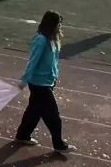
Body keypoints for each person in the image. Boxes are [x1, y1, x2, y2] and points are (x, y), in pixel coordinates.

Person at [15, 11, 75, 152]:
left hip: (47, 81)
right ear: (51, 24)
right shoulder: (41, 40)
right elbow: (33, 60)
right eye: (59, 23)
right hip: (39, 84)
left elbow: (53, 61)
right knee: (53, 116)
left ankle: (22, 135)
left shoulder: (53, 39)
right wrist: (24, 80)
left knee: (34, 111)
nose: (60, 26)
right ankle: (58, 144)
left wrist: (54, 76)